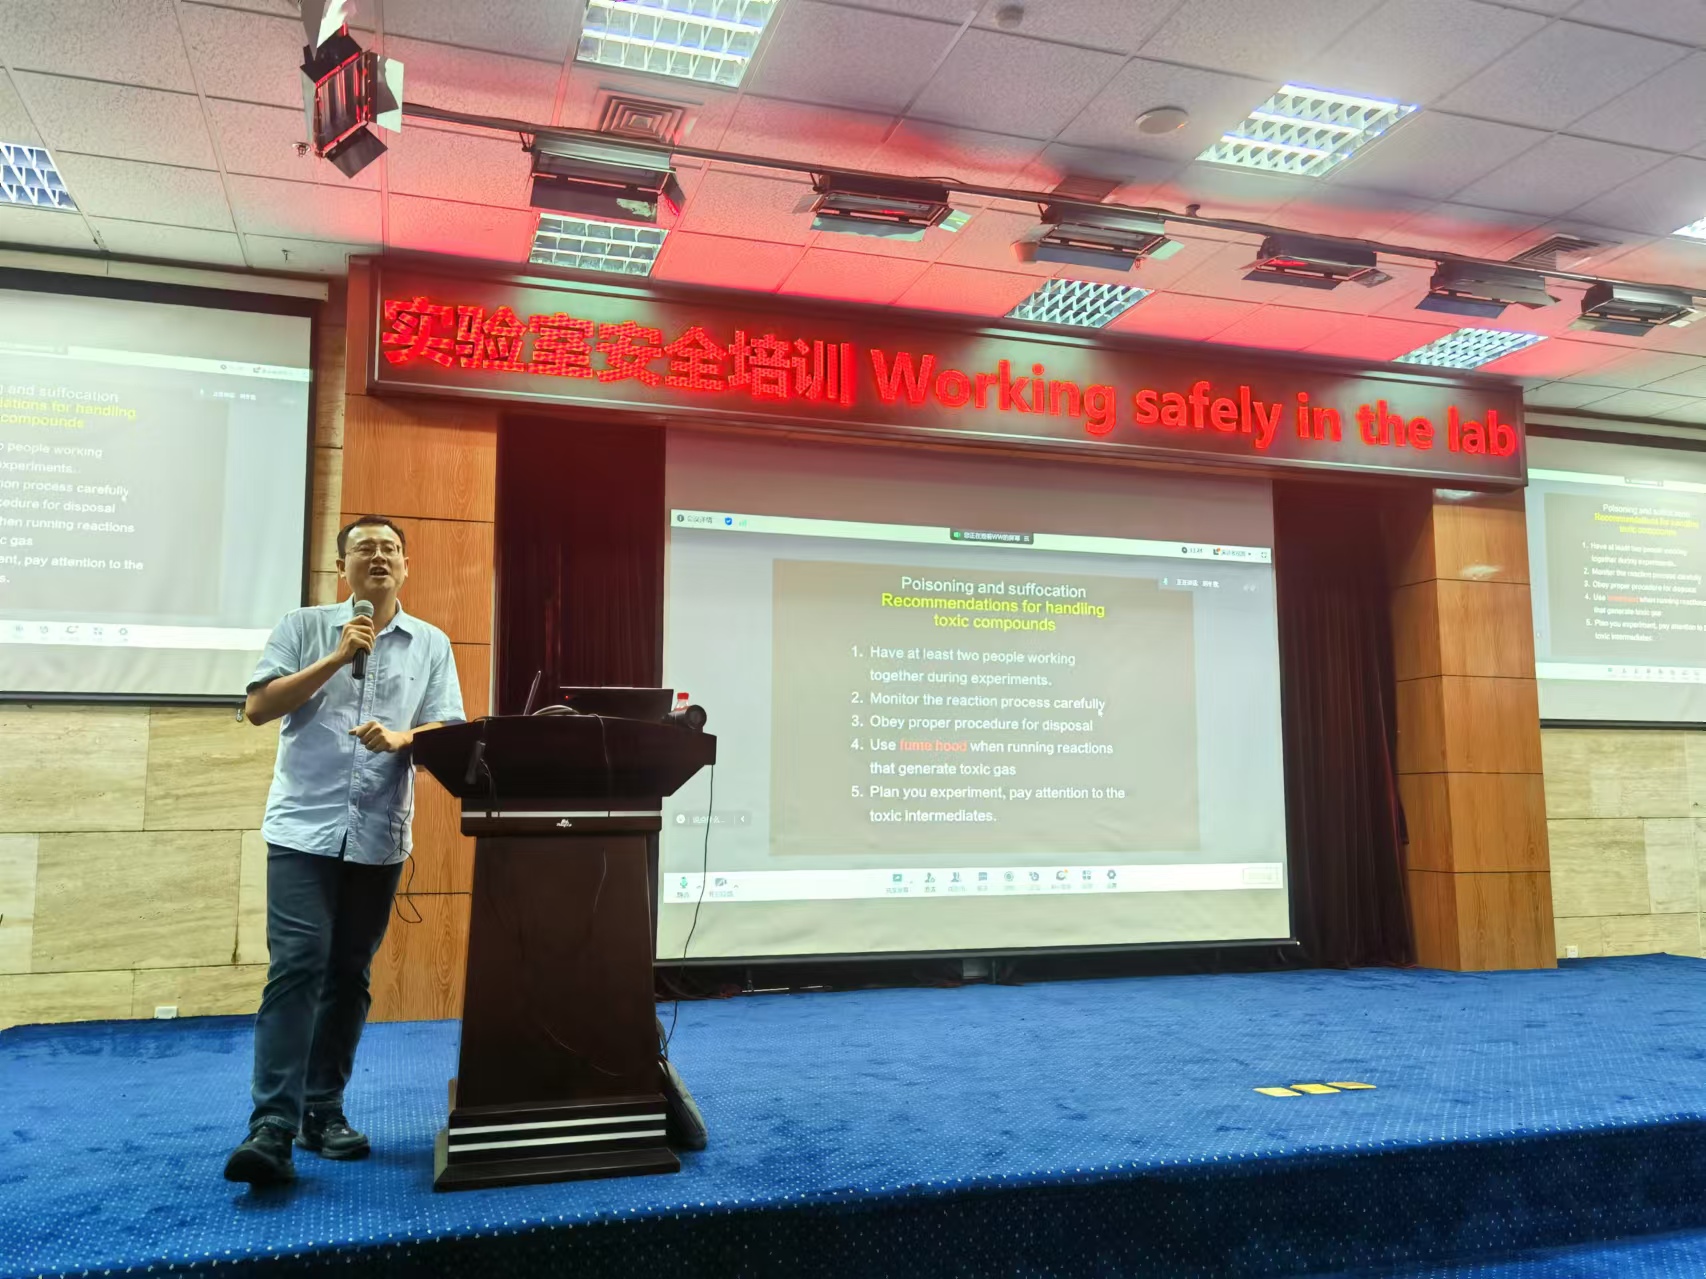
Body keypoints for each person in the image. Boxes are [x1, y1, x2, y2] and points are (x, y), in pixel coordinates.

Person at [223, 515, 465, 1186]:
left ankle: (322, 1110)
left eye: (391, 548)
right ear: (342, 567)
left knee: (349, 974)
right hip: (303, 830)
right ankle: (271, 1127)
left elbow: (447, 728)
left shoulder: (431, 643)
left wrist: (405, 737)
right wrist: (334, 657)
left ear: (406, 566)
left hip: (379, 834)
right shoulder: (302, 627)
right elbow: (259, 707)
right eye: (365, 548)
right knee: (298, 965)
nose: (379, 557)